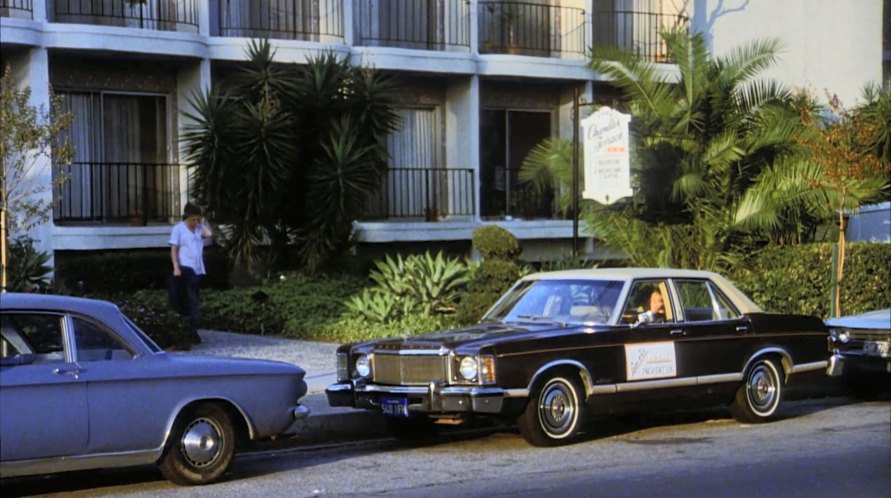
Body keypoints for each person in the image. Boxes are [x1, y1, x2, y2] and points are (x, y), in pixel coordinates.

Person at [169, 202, 212, 332]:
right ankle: (190, 324)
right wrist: (176, 267)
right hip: (185, 267)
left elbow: (208, 234)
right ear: (187, 217)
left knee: (194, 297)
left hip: (197, 267)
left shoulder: (199, 228)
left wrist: (200, 223)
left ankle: (193, 324)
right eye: (193, 219)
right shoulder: (178, 229)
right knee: (189, 296)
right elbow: (174, 249)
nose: (195, 222)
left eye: (197, 219)